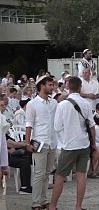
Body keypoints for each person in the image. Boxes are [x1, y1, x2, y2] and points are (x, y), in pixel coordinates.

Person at [49, 76, 96, 210]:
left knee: (60, 175)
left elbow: (57, 126)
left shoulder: (62, 104)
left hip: (69, 144)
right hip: (84, 143)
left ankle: (53, 206)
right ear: (80, 87)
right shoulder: (86, 103)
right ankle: (78, 206)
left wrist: (63, 139)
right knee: (81, 175)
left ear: (68, 87)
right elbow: (91, 126)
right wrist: (93, 144)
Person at [24, 76, 57, 210]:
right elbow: (29, 124)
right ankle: (36, 203)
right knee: (39, 173)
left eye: (52, 85)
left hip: (52, 142)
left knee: (47, 173)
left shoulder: (54, 103)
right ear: (42, 86)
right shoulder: (32, 104)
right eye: (49, 85)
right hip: (39, 142)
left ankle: (43, 200)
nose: (52, 87)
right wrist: (27, 143)